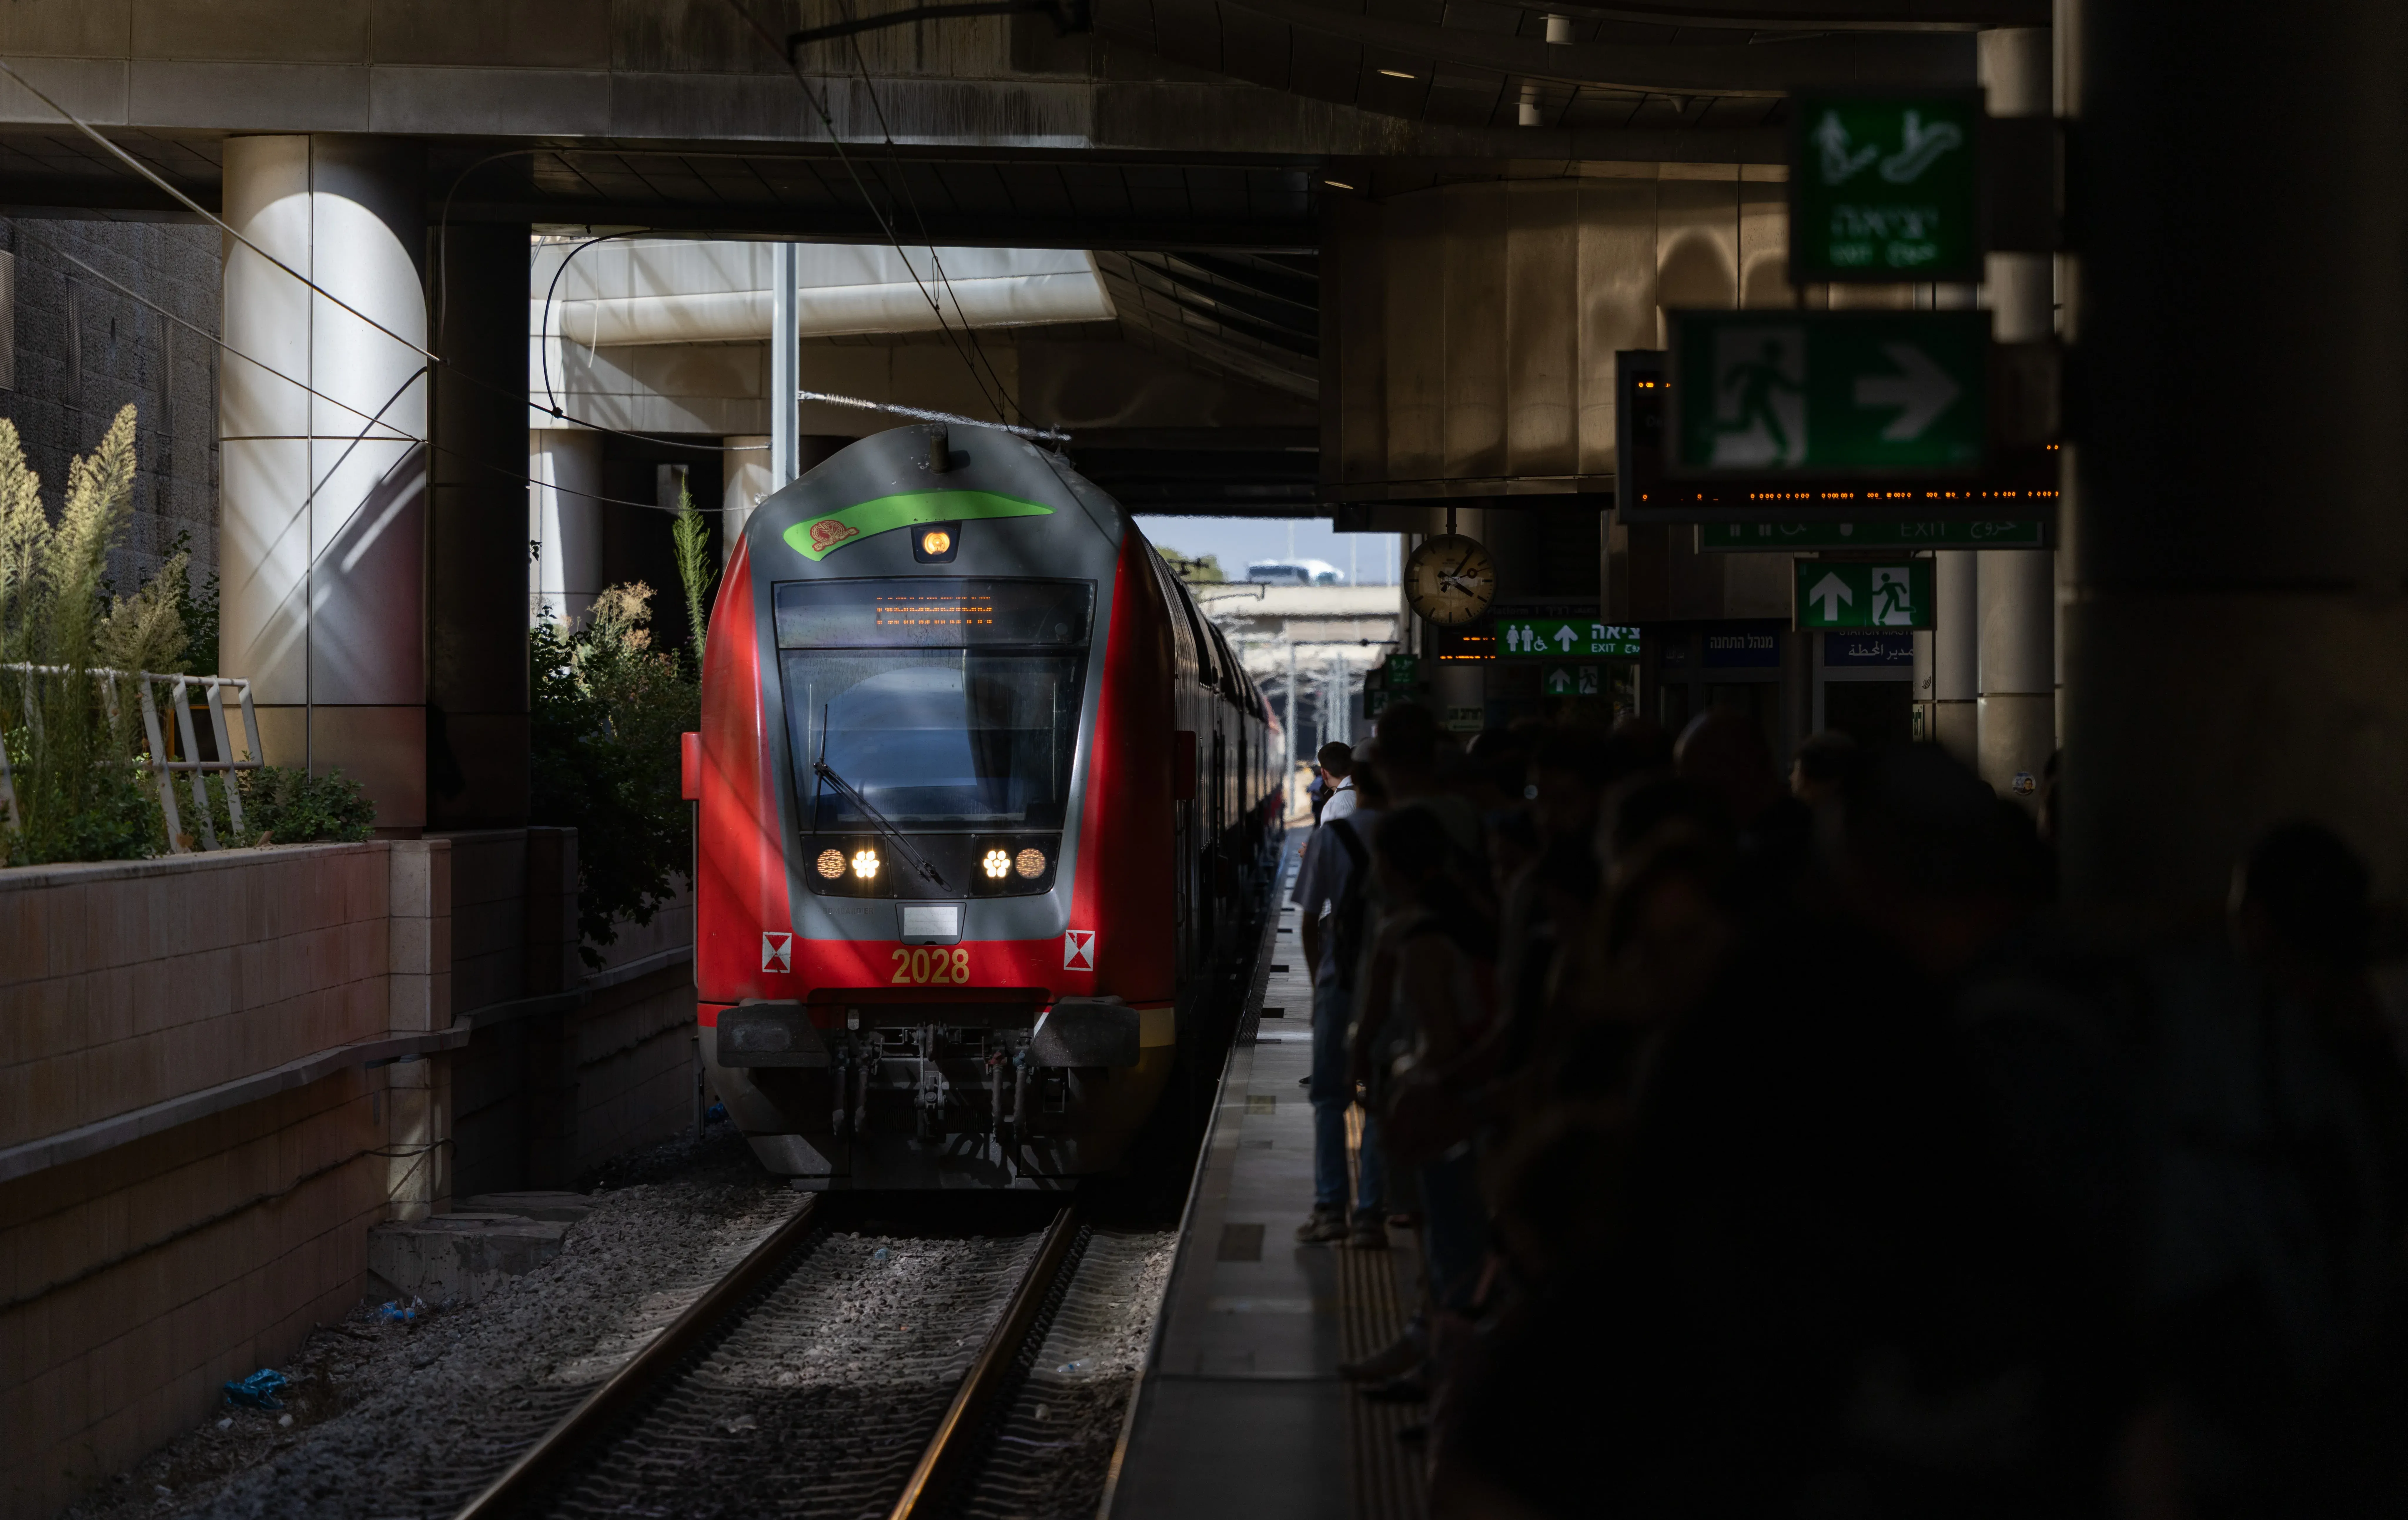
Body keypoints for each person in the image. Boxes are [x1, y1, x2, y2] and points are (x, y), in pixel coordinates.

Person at [1292, 746, 1385, 1246]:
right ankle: (1371, 1214)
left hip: (1339, 979)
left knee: (1331, 1097)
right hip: (1393, 984)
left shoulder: (1333, 833)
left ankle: (1331, 1210)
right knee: (1382, 1098)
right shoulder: (1408, 837)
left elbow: (1309, 922)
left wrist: (1318, 982)